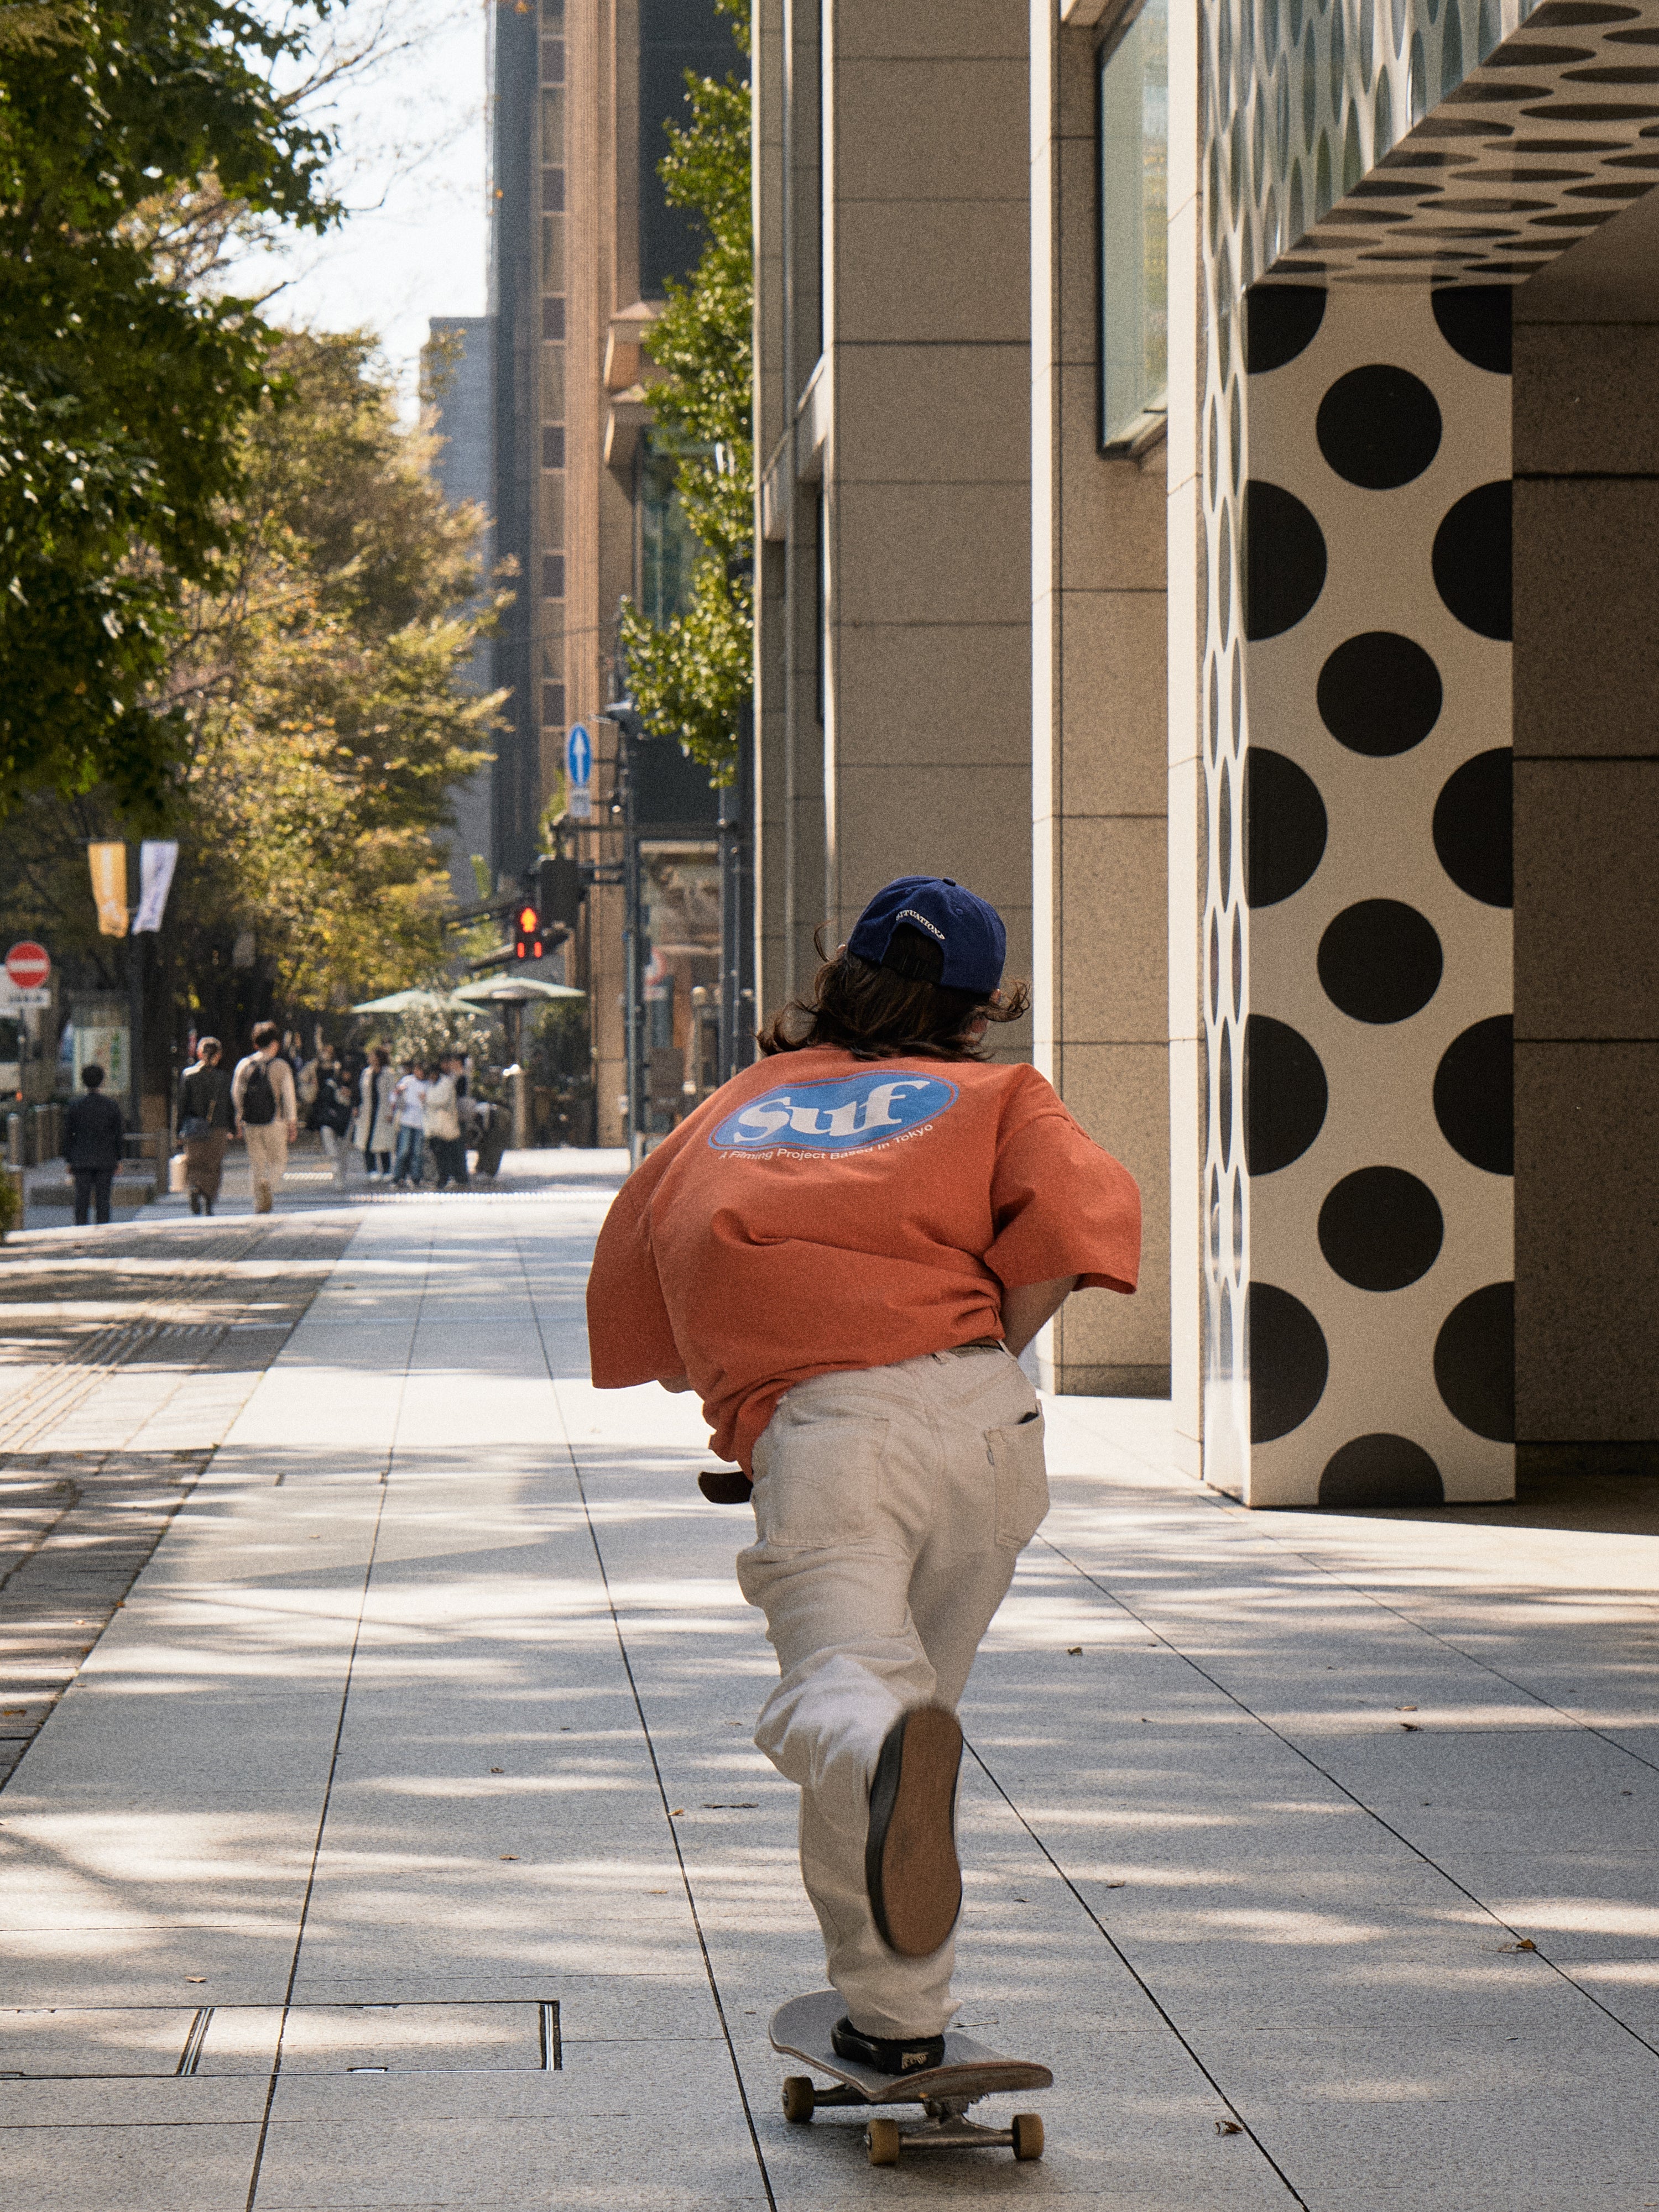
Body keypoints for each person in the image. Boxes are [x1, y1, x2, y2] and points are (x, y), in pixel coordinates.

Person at [586, 876, 1141, 2076]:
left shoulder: (740, 1105)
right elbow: (1090, 1204)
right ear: (975, 1011)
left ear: (839, 977)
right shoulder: (998, 1093)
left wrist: (736, 1379)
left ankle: (880, 1804)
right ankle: (901, 2018)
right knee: (908, 1735)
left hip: (834, 1433)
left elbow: (655, 1246)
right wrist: (992, 1338)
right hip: (985, 1422)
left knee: (856, 1703)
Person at [232, 1020, 299, 1215]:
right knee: (279, 1161)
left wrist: (239, 1117)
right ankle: (267, 1184)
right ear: (275, 1044)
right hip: (275, 1122)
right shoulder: (281, 1066)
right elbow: (289, 1097)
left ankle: (259, 1203)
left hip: (251, 1123)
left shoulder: (244, 1065)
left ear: (256, 1043)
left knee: (256, 1163)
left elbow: (236, 1094)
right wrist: (292, 1123)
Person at [176, 1037, 234, 1215]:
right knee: (213, 1165)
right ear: (218, 1056)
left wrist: (178, 1131)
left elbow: (182, 1106)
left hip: (193, 1127)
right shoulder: (223, 1078)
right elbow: (228, 1105)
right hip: (218, 1127)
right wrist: (232, 1127)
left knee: (194, 1163)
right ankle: (209, 1201)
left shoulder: (188, 1075)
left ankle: (195, 1188)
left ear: (199, 1053)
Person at [65, 1062, 124, 1227]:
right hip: (106, 1158)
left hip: (81, 1158)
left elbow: (68, 1135)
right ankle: (103, 1229)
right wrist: (119, 1159)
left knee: (81, 1200)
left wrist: (69, 1160)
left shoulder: (75, 1106)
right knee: (103, 1200)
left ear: (84, 1081)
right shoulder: (111, 1106)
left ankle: (81, 1229)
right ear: (102, 1081)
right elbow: (118, 1135)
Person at [423, 1052, 468, 1190]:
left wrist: (426, 1100)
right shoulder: (440, 1081)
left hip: (453, 1121)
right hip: (442, 1124)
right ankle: (447, 1177)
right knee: (445, 1152)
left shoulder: (451, 1080)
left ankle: (459, 1178)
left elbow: (444, 1099)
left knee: (456, 1151)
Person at [308, 1052, 353, 1188]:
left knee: (343, 1153)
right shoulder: (330, 1084)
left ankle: (341, 1178)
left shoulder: (356, 1087)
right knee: (334, 1154)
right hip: (329, 1123)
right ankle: (338, 1178)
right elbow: (322, 1103)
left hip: (345, 1124)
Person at [390, 1059, 428, 1189]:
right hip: (406, 1120)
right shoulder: (407, 1081)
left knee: (418, 1152)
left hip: (421, 1122)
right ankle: (398, 1176)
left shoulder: (428, 1084)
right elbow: (394, 1095)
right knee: (404, 1150)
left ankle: (416, 1178)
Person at [357, 1048, 395, 1179]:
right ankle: (371, 1169)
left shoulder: (388, 1073)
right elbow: (361, 1092)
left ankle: (387, 1170)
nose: (370, 1058)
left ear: (379, 1058)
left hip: (383, 1110)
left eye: (372, 1056)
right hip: (368, 1111)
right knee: (366, 1141)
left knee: (384, 1142)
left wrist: (391, 1111)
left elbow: (392, 1093)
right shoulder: (366, 1073)